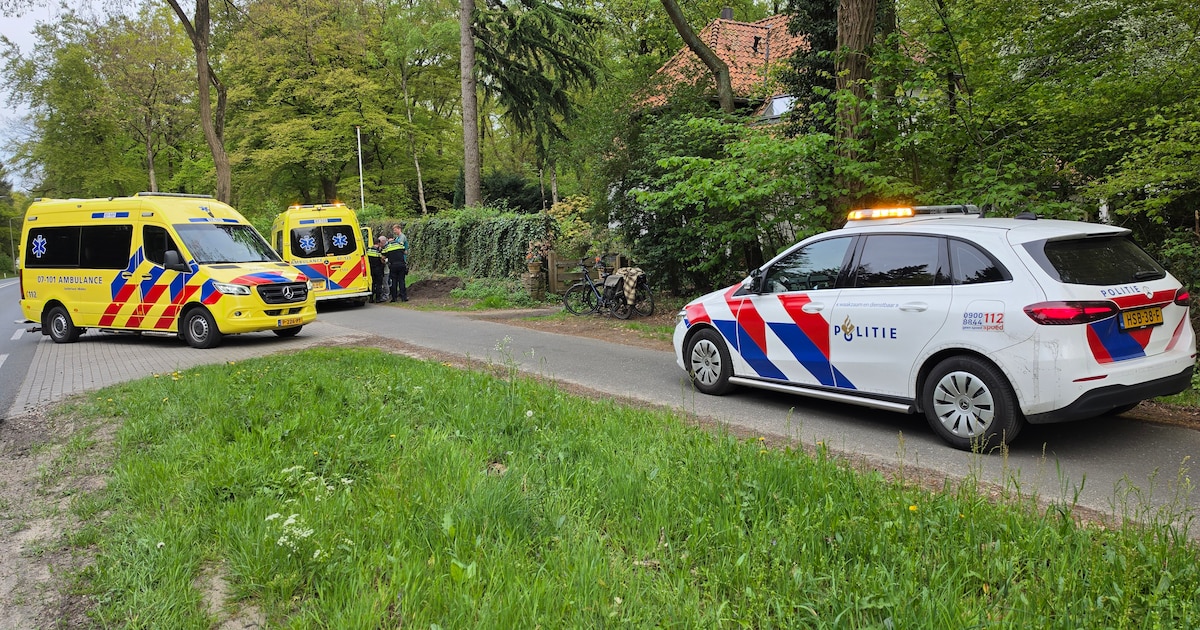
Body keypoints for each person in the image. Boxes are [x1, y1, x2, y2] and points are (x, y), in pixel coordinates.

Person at [382, 224, 408, 302]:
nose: (394, 231)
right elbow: (405, 252)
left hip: (393, 265)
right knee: (402, 281)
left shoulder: (387, 247)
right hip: (401, 264)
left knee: (394, 282)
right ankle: (404, 298)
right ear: (393, 239)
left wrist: (386, 260)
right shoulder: (399, 244)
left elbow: (383, 257)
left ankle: (394, 298)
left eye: (395, 229)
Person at [366, 235, 387, 302]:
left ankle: (371, 298)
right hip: (378, 270)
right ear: (378, 243)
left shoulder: (368, 250)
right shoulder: (379, 251)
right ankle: (378, 298)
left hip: (371, 269)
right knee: (379, 284)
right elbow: (383, 260)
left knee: (372, 283)